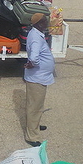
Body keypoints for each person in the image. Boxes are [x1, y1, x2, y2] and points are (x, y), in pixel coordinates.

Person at [23, 13, 55, 147]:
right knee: (34, 107)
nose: (47, 23)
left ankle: (35, 125)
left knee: (38, 105)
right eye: (44, 21)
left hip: (40, 77)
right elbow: (35, 57)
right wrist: (33, 63)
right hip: (37, 78)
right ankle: (32, 136)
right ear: (38, 24)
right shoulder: (36, 38)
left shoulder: (35, 33)